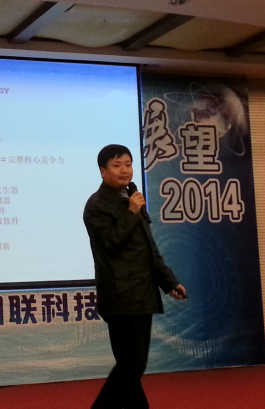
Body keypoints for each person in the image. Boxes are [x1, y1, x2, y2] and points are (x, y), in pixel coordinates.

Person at [83, 144, 187, 409]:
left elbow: (148, 248)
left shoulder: (131, 198)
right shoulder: (97, 205)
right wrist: (130, 212)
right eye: (117, 165)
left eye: (128, 164)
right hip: (120, 295)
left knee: (133, 365)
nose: (124, 170)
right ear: (102, 171)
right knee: (132, 363)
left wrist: (169, 281)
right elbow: (109, 243)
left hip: (143, 293)